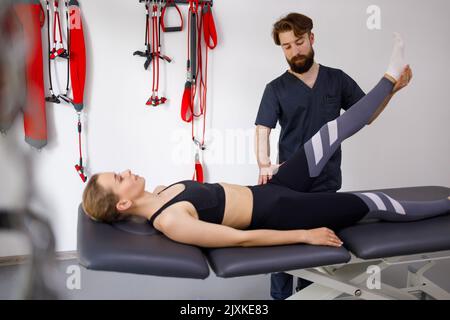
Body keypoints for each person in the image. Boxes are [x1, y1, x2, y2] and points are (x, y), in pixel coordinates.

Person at [82, 35, 448, 254]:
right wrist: (304, 235)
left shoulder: (163, 191)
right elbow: (238, 241)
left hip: (276, 187)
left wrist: (267, 169)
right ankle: (444, 206)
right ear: (124, 201)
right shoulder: (171, 221)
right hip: (285, 211)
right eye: (119, 176)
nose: (126, 170)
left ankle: (390, 76)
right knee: (371, 203)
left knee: (329, 132)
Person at [254, 13, 397, 299]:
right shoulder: (276, 88)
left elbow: (366, 114)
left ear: (311, 38)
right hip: (288, 184)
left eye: (299, 42)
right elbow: (262, 129)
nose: (295, 51)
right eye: (287, 46)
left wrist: (393, 88)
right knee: (282, 254)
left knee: (315, 255)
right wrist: (264, 164)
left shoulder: (336, 79)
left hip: (325, 183)